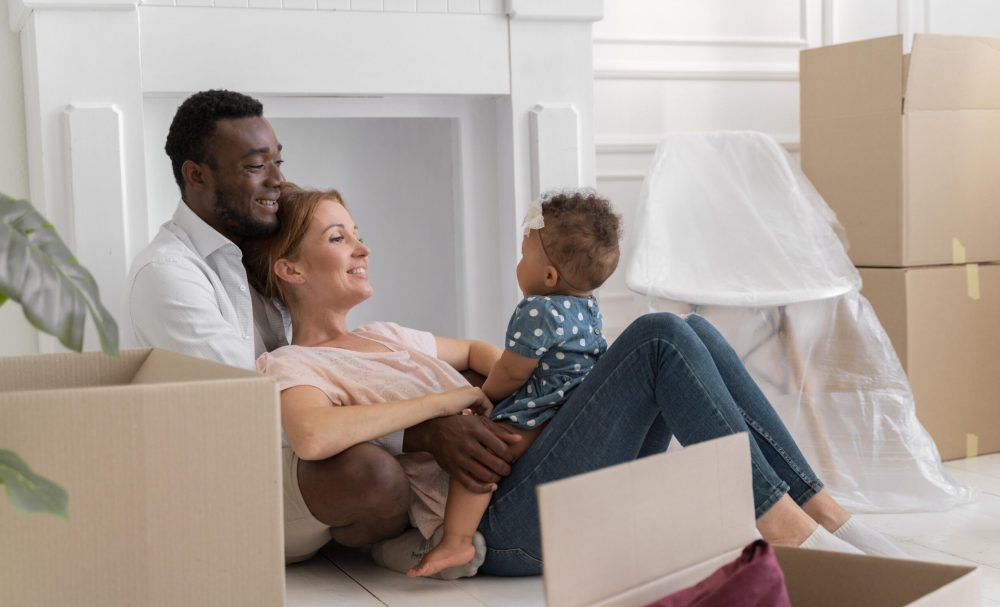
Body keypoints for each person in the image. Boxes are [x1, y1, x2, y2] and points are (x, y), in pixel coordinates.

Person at [246, 183, 910, 578]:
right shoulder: (290, 364)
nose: (362, 247)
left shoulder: (387, 335)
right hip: (500, 527)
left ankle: (822, 511)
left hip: (541, 472)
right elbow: (311, 433)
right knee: (660, 338)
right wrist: (452, 399)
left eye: (357, 233)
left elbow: (482, 352)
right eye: (338, 239)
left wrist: (539, 375)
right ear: (290, 271)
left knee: (692, 334)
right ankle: (792, 532)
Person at [122, 90, 514, 562]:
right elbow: (252, 412)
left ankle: (422, 527)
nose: (278, 179)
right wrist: (426, 430)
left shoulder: (257, 252)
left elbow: (327, 365)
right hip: (237, 474)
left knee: (467, 380)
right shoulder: (170, 275)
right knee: (373, 472)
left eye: (278, 162)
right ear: (197, 174)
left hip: (301, 444)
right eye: (255, 166)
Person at [407, 190, 620, 578]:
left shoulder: (538, 309)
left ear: (549, 275)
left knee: (482, 457)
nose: (519, 263)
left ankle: (455, 541)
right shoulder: (588, 307)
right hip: (577, 403)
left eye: (525, 255)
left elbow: (512, 372)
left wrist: (484, 397)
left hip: (541, 408)